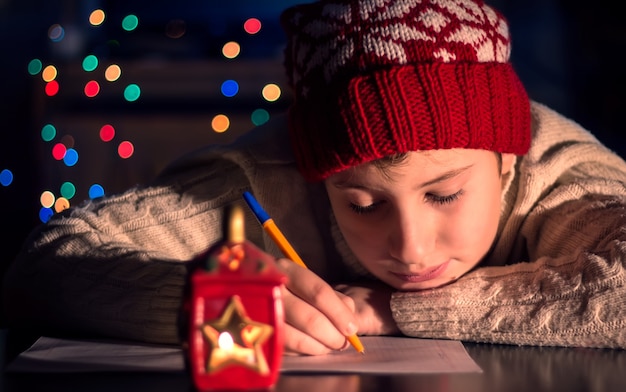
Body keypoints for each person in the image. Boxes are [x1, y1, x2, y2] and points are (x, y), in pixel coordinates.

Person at [3, 0, 626, 355]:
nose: (410, 249)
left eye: (445, 193)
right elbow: (43, 267)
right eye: (360, 203)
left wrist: (406, 308)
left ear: (507, 159)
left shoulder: (561, 168)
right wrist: (212, 304)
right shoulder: (267, 175)